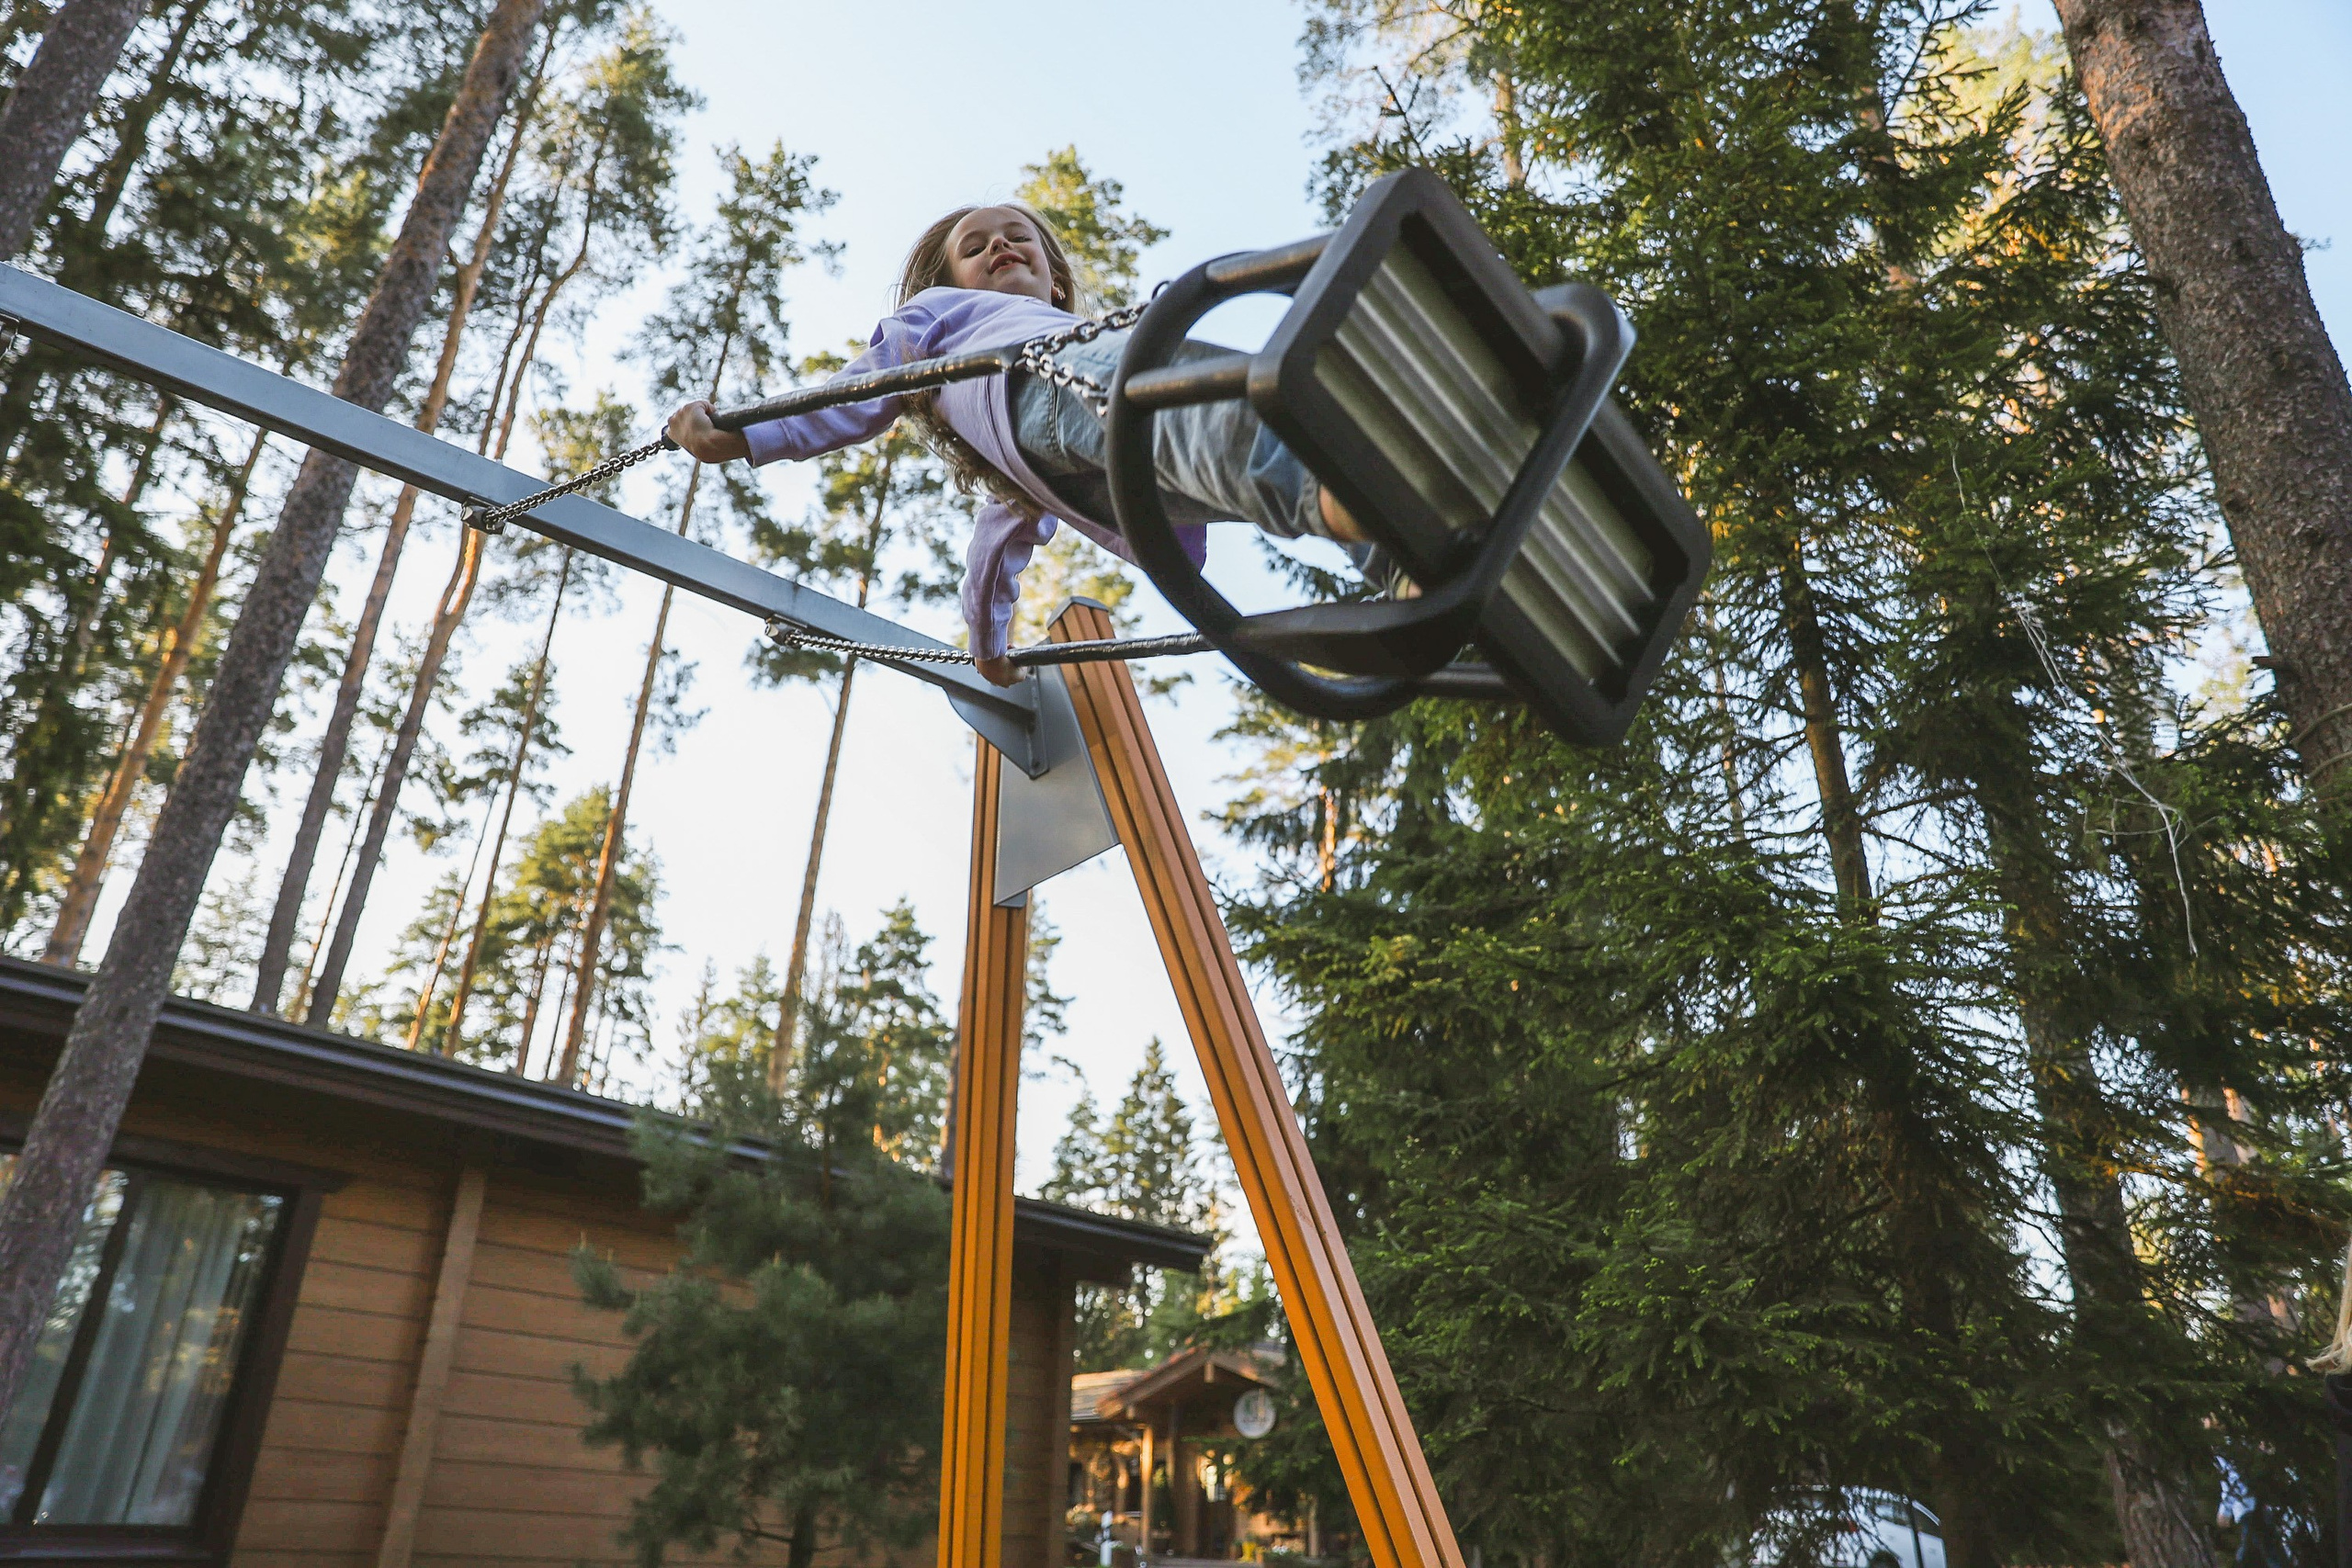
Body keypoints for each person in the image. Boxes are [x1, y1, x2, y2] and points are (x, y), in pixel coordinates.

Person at [665, 201, 1374, 685]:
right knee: (1231, 411)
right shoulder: (942, 316)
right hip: (1044, 382)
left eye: (1016, 235)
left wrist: (988, 646)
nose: (998, 244)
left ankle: (1381, 533)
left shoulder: (1026, 447)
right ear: (948, 286)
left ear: (1056, 279)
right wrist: (737, 435)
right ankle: (1364, 498)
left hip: (1118, 484)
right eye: (974, 248)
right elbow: (856, 391)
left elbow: (995, 553)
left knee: (1241, 452)